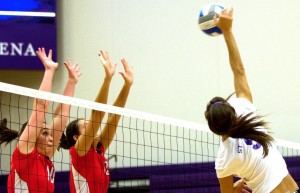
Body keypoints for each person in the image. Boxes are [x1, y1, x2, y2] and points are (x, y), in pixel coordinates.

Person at [204, 8, 299, 193]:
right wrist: (228, 31)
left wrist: (234, 188)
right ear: (230, 109)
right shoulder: (245, 109)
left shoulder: (223, 160)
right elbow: (238, 69)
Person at [0, 47, 82, 193]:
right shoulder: (25, 153)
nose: (52, 138)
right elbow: (40, 107)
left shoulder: (46, 158)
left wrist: (71, 82)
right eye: (45, 133)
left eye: (50, 134)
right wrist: (49, 71)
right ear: (31, 136)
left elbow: (61, 116)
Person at [58, 50, 133, 193]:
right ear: (77, 138)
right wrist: (107, 78)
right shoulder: (79, 151)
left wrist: (127, 86)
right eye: (86, 126)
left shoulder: (98, 149)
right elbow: (97, 115)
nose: (94, 126)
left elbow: (114, 117)